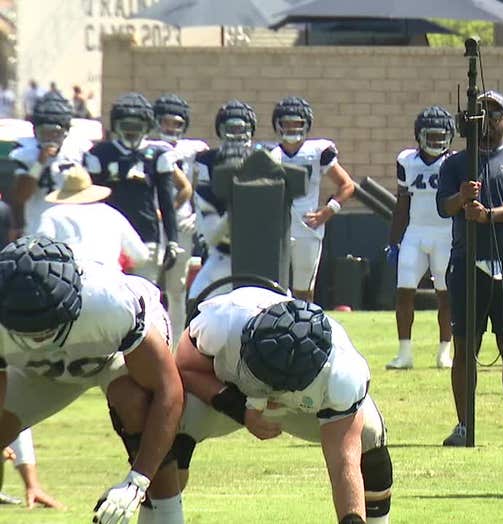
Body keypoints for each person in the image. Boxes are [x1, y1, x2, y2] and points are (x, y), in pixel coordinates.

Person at [149, 287, 393, 524]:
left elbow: (342, 462)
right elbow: (182, 367)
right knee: (169, 424)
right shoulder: (225, 320)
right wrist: (238, 409)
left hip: (304, 409)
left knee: (370, 437)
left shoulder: (341, 374)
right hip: (230, 393)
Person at [0, 236, 184, 523]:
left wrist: (138, 481)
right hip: (42, 369)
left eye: (45, 325)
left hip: (111, 353)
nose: (38, 336)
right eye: (29, 328)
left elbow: (168, 391)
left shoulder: (109, 303)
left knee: (137, 404)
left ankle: (168, 516)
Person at [436, 90, 503, 448]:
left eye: (496, 114)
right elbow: (443, 207)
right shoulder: (454, 165)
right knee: (465, 347)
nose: (489, 120)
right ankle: (464, 424)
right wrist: (461, 197)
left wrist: (488, 215)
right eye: (482, 113)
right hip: (467, 264)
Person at [84, 92, 192, 284]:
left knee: (145, 298)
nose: (131, 131)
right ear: (116, 125)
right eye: (126, 125)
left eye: (137, 126)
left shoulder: (158, 155)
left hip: (146, 235)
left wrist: (172, 240)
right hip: (108, 237)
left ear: (147, 127)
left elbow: (166, 201)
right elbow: (92, 200)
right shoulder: (101, 154)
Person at [385, 106, 456, 370]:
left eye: (441, 136)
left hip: (445, 233)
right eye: (432, 136)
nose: (437, 141)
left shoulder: (455, 162)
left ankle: (444, 353)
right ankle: (404, 353)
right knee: (404, 292)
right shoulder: (406, 161)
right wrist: (394, 240)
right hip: (415, 232)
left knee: (446, 295)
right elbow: (402, 202)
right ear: (419, 135)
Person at [267, 96, 355, 303]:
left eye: (296, 123)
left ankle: (305, 329)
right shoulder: (270, 154)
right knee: (270, 289)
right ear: (277, 125)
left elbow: (347, 185)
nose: (291, 128)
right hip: (275, 228)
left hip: (306, 227)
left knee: (303, 290)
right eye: (286, 123)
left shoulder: (316, 152)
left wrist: (327, 211)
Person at [153, 93, 209, 343]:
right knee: (150, 286)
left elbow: (202, 185)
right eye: (166, 122)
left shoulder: (195, 149)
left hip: (182, 221)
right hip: (152, 223)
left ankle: (175, 344)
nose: (170, 128)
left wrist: (197, 213)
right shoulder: (148, 148)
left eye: (176, 123)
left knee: (177, 290)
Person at [188, 100, 257, 301]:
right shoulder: (207, 189)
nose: (234, 175)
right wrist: (232, 213)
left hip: (258, 257)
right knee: (196, 301)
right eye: (228, 169)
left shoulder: (266, 166)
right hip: (222, 253)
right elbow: (212, 238)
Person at [9, 92, 93, 236]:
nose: (50, 138)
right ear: (35, 132)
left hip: (72, 230)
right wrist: (40, 162)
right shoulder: (24, 151)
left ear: (66, 132)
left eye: (55, 133)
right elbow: (20, 196)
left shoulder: (80, 151)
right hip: (36, 227)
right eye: (44, 133)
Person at [36, 165, 149, 272]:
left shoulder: (52, 214)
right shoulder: (111, 213)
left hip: (68, 280)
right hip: (108, 277)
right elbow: (140, 255)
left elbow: (40, 251)